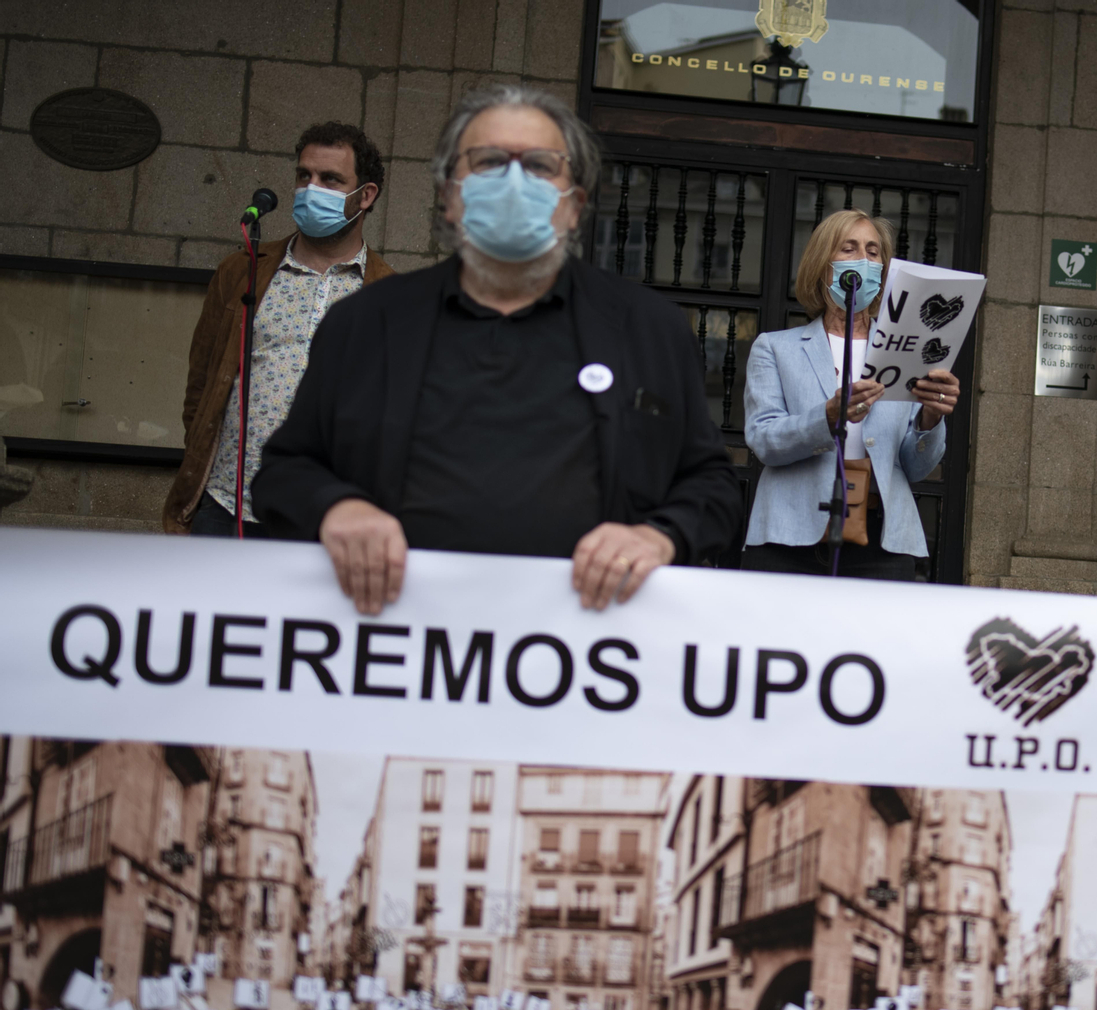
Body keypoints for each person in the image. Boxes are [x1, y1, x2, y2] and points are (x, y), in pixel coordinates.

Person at [253, 84, 741, 614]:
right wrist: (336, 508)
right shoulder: (366, 323)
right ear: (449, 195)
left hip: (586, 649)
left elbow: (713, 488)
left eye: (538, 166)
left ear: (574, 204)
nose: (512, 182)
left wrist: (659, 536)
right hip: (397, 648)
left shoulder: (650, 329)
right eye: (487, 162)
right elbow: (284, 473)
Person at [165, 121, 394, 537]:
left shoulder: (389, 295)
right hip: (226, 505)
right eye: (304, 175)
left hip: (328, 519)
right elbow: (201, 386)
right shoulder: (243, 272)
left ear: (366, 195)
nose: (311, 188)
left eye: (330, 179)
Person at [740, 208, 959, 580]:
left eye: (873, 252)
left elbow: (917, 468)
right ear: (823, 265)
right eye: (849, 248)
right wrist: (826, 417)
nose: (863, 259)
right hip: (789, 536)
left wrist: (931, 417)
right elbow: (764, 441)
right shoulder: (776, 348)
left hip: (881, 537)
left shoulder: (907, 348)